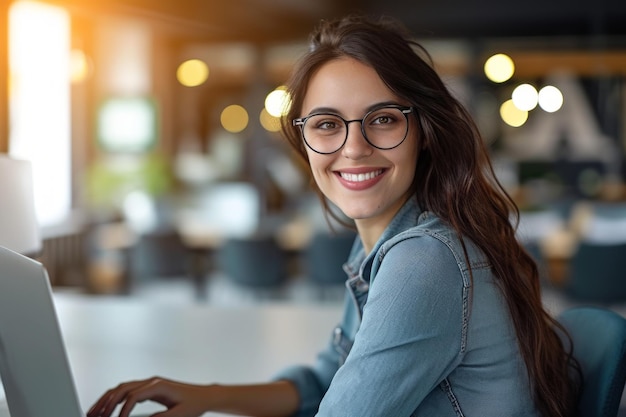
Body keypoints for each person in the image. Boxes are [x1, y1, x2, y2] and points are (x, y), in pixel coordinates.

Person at [87, 15, 579, 417]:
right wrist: (209, 397)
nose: (354, 148)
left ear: (423, 130)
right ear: (304, 140)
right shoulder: (382, 241)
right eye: (326, 125)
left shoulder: (424, 262)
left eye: (383, 119)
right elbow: (326, 381)